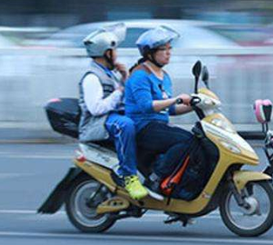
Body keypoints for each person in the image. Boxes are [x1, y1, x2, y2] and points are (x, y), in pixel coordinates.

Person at [78, 23, 149, 200]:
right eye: (114, 51)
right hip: (97, 124)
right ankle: (128, 177)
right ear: (107, 53)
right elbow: (96, 109)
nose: (117, 55)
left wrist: (125, 77)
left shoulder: (109, 73)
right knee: (125, 125)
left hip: (110, 118)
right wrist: (119, 91)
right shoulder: (92, 77)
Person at [124, 26, 194, 198]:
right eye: (163, 49)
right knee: (188, 141)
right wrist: (176, 99)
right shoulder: (140, 75)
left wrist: (195, 104)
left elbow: (170, 109)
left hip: (158, 125)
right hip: (143, 127)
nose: (168, 53)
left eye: (170, 49)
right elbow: (146, 106)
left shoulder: (164, 76)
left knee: (198, 141)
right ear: (149, 53)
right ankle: (156, 179)